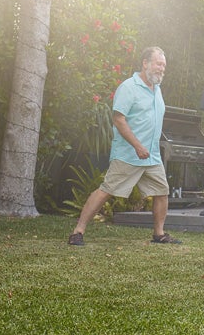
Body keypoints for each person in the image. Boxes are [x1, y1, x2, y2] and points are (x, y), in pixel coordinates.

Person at [68, 46, 182, 246]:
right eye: (158, 64)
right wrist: (137, 146)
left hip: (151, 155)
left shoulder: (157, 89)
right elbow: (118, 119)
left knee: (162, 191)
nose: (161, 68)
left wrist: (148, 148)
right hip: (129, 154)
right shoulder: (129, 87)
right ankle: (78, 231)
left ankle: (159, 234)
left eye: (163, 65)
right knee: (107, 190)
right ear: (145, 63)